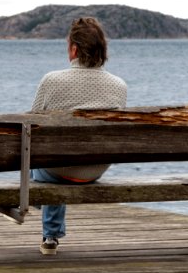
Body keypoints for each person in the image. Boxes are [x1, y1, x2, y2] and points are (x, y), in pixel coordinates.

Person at [31, 17, 127, 255]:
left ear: (74, 48)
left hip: (54, 170)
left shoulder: (51, 80)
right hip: (93, 170)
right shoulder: (119, 86)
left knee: (46, 162)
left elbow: (31, 125)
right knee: (61, 159)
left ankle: (49, 233)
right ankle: (50, 235)